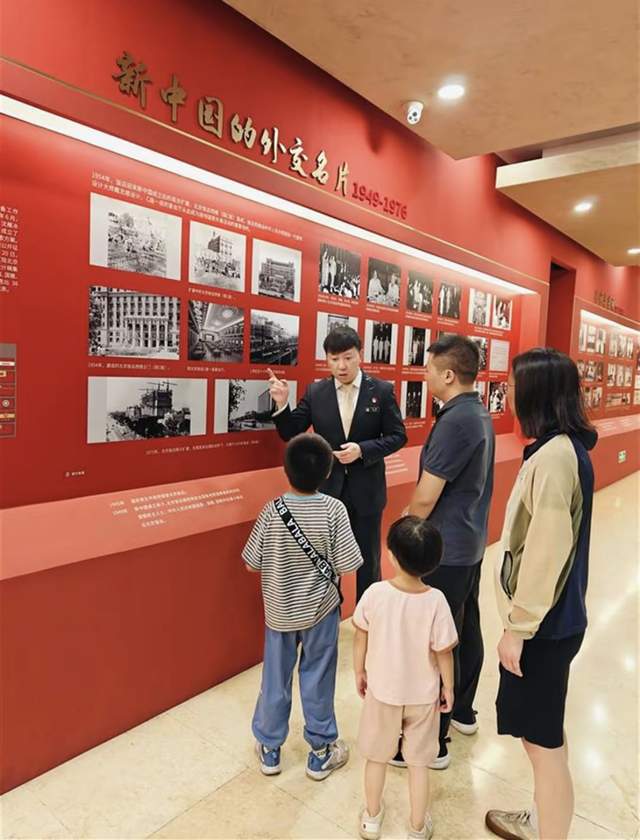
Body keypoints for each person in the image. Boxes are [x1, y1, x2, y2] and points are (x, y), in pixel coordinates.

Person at [485, 349, 597, 840]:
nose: (507, 394)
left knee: (541, 745)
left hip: (543, 629)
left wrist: (518, 628)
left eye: (512, 386)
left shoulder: (554, 458)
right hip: (553, 622)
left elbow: (546, 552)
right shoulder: (561, 449)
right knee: (546, 734)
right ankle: (542, 818)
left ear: (535, 392)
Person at [243, 433, 363, 780]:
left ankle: (270, 749)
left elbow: (251, 562)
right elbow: (349, 563)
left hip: (279, 613)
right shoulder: (334, 510)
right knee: (318, 677)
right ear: (327, 472)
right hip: (321, 612)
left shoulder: (272, 510)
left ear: (286, 470)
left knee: (275, 678)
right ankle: (321, 752)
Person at [401, 334, 495, 770]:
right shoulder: (477, 412)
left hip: (446, 549)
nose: (425, 376)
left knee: (438, 643)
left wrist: (403, 531)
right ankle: (463, 711)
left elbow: (426, 497)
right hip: (468, 542)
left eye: (429, 370)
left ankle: (433, 741)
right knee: (464, 628)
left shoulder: (456, 421)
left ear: (449, 375)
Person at [266, 325, 407, 602]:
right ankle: (328, 616)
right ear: (327, 359)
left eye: (348, 357)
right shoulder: (316, 392)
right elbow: (291, 432)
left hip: (367, 490)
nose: (341, 366)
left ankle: (369, 616)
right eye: (334, 359)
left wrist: (363, 450)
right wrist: (282, 404)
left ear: (360, 355)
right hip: (329, 491)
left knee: (369, 560)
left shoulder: (381, 390)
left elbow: (398, 436)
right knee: (327, 562)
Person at [353, 516, 457, 840]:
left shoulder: (375, 593)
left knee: (376, 757)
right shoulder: (437, 601)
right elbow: (444, 651)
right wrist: (448, 687)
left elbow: (360, 636)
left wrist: (359, 670)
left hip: (383, 691)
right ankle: (416, 827)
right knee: (418, 764)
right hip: (423, 696)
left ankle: (372, 818)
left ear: (391, 555)